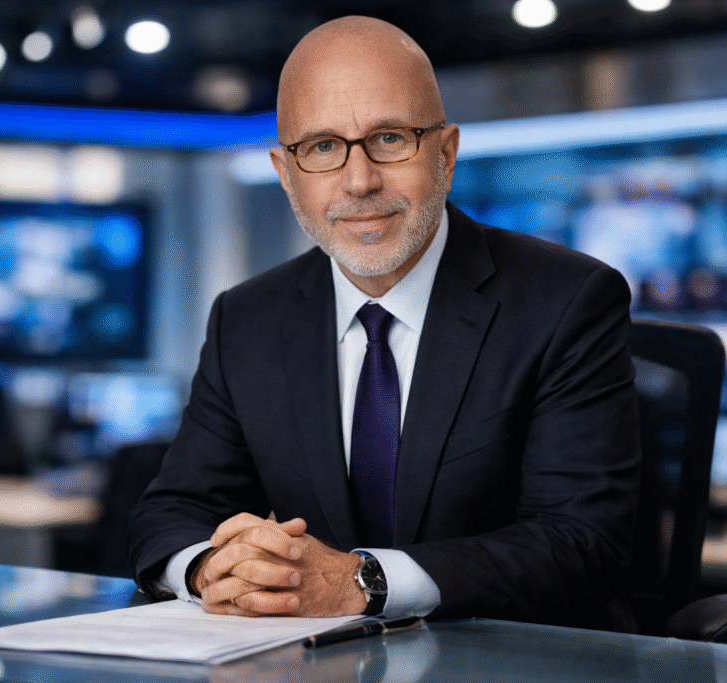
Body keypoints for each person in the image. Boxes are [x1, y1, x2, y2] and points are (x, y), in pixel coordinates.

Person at [127, 15, 641, 630]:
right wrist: (210, 568)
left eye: (390, 139)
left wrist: (362, 582)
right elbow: (174, 510)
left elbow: (581, 544)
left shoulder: (567, 300)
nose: (360, 180)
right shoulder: (247, 319)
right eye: (322, 148)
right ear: (286, 175)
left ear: (445, 153)